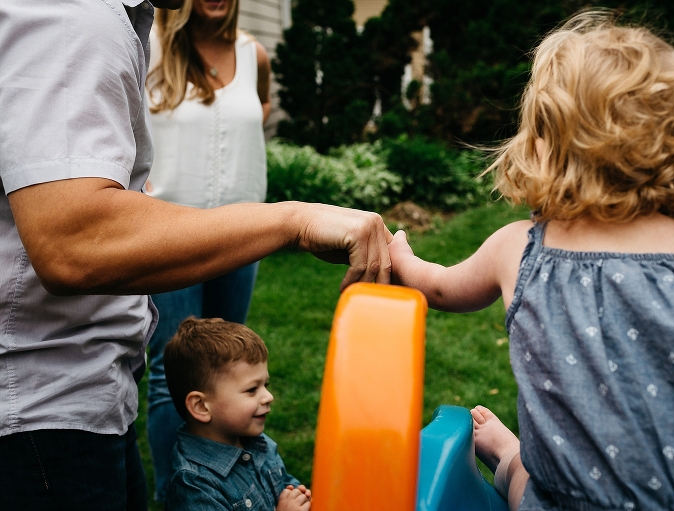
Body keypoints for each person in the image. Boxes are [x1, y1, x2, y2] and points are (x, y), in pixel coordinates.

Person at [0, 1, 391, 509]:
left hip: (87, 394)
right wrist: (293, 220)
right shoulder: (75, 16)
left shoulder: (113, 20)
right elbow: (73, 242)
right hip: (41, 411)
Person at [389, 11, 674, 511]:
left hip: (574, 502)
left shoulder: (520, 248)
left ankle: (507, 458)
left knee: (530, 480)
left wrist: (402, 256)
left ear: (544, 144)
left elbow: (437, 288)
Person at [143, 0, 274, 501]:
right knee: (170, 375)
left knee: (229, 371)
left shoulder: (254, 55)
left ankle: (228, 484)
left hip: (243, 236)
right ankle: (176, 494)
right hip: (170, 234)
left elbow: (257, 110)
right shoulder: (149, 49)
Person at [163, 317, 310, 510]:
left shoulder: (258, 443)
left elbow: (285, 485)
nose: (269, 397)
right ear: (201, 406)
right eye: (252, 390)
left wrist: (299, 497)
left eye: (265, 385)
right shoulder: (196, 485)